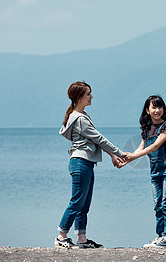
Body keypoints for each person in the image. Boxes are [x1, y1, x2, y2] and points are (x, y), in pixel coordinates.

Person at [55, 81, 128, 249]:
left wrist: (112, 156)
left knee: (84, 203)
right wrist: (119, 153)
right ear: (80, 97)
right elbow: (99, 138)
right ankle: (61, 236)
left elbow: (94, 141)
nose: (91, 96)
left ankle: (81, 239)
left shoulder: (82, 116)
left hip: (85, 162)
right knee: (76, 202)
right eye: (88, 94)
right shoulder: (79, 119)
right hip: (80, 163)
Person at [118, 95, 166, 248]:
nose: (157, 110)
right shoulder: (147, 128)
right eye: (153, 107)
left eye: (160, 107)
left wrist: (133, 156)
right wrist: (126, 160)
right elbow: (141, 148)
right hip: (155, 171)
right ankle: (160, 236)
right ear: (147, 110)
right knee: (157, 205)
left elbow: (154, 147)